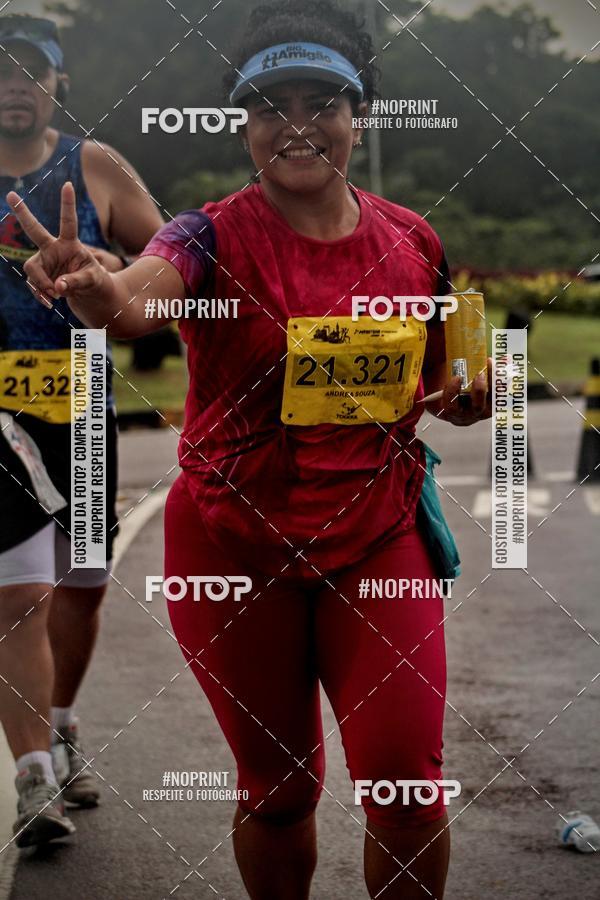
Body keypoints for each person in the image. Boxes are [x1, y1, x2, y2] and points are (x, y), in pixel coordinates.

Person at [7, 0, 492, 891]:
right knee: (279, 791)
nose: (298, 125)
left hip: (376, 540)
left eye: (323, 102)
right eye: (272, 104)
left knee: (406, 789)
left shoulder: (414, 242)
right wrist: (94, 290)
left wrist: (471, 398)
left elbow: (457, 383)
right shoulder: (206, 235)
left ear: (360, 114)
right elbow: (141, 298)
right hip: (233, 546)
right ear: (242, 120)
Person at [0, 14, 163, 848]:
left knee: (81, 585)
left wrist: (106, 270)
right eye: (1, 73)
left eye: (31, 73)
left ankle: (60, 725)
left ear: (57, 83)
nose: (14, 87)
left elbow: (164, 260)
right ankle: (32, 781)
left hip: (86, 412)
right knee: (20, 593)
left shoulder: (92, 165)